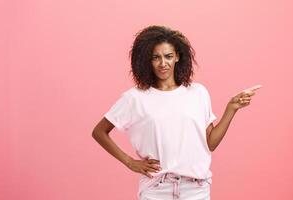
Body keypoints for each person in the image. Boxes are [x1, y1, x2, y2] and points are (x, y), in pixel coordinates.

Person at [92, 25, 261, 200]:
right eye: (155, 57)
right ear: (146, 60)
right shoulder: (135, 98)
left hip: (196, 189)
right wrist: (129, 162)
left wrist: (231, 109)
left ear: (178, 57)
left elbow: (210, 143)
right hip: (157, 189)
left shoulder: (198, 92)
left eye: (168, 56)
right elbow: (99, 132)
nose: (163, 63)